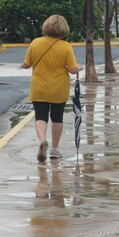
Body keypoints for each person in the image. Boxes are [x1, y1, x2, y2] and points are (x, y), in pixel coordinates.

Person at [20, 15, 83, 162]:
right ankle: (54, 149)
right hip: (59, 88)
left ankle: (42, 140)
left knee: (40, 117)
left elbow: (27, 64)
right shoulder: (65, 46)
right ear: (63, 29)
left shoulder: (35, 43)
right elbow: (73, 70)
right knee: (57, 118)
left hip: (39, 87)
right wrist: (79, 67)